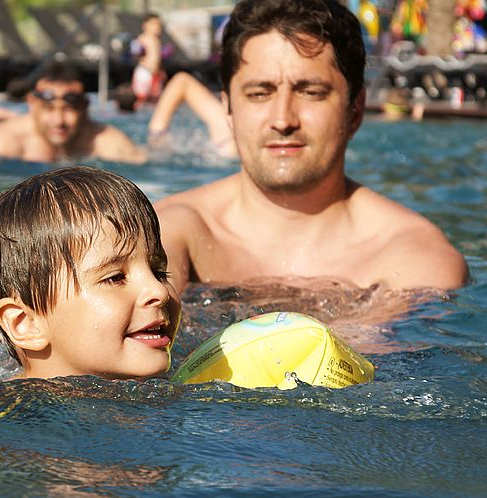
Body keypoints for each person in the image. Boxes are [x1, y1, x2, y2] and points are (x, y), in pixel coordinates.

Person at [154, 0, 469, 294]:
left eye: (311, 92)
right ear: (228, 110)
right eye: (259, 94)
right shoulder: (167, 234)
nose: (282, 119)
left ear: (355, 110)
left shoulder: (415, 261)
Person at [0, 166, 181, 380]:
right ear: (27, 323)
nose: (159, 291)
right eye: (115, 278)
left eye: (159, 273)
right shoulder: (3, 412)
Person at [0, 61, 146, 163]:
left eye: (69, 109)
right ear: (32, 104)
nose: (59, 121)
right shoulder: (3, 145)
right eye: (48, 109)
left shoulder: (108, 143)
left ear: (85, 108)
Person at [147, 71, 238, 158]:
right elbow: (182, 82)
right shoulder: (226, 127)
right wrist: (157, 133)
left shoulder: (226, 129)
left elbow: (182, 82)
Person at [131, 13, 168, 105]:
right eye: (154, 24)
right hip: (145, 73)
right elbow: (136, 57)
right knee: (141, 100)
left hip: (154, 74)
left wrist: (159, 71)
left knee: (154, 100)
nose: (157, 27)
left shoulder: (156, 40)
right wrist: (149, 68)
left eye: (159, 24)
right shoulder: (142, 39)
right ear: (145, 25)